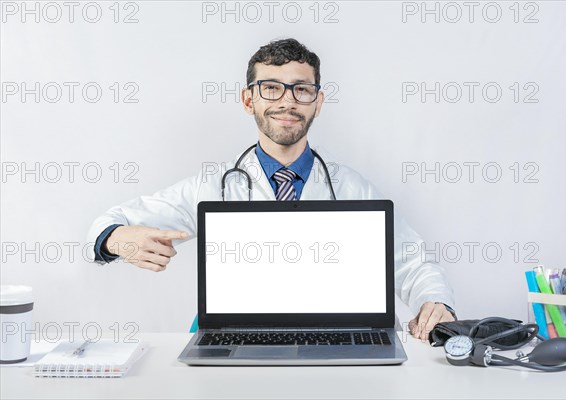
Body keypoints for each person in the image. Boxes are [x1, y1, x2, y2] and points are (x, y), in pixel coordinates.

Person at [87, 38, 456, 340]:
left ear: (318, 102)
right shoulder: (213, 185)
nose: (288, 101)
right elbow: (106, 225)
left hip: (338, 337)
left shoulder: (351, 186)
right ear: (250, 100)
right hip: (242, 336)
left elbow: (411, 260)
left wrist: (435, 302)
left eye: (302, 90)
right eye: (272, 88)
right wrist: (116, 239)